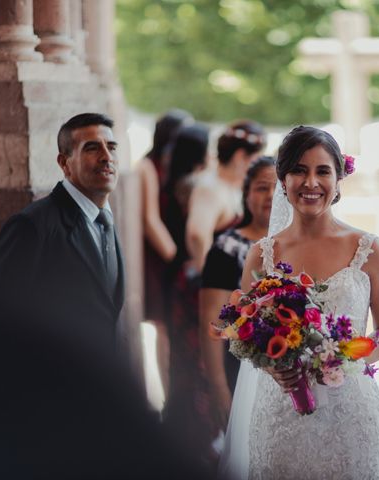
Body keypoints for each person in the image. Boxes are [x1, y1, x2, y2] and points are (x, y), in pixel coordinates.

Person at [220, 126, 379, 480]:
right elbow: (243, 334)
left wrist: (347, 357)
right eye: (299, 170)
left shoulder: (368, 249)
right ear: (283, 179)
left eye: (322, 171)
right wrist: (274, 366)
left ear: (338, 179)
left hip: (352, 415)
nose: (311, 182)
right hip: (280, 417)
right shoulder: (262, 255)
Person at [0, 112, 125, 357]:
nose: (107, 157)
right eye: (92, 148)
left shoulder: (106, 220)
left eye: (111, 147)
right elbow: (2, 320)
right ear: (64, 163)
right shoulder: (31, 226)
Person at [199, 156, 276, 431]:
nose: (270, 196)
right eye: (261, 188)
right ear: (246, 194)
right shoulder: (227, 247)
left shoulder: (299, 245)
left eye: (278, 188)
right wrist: (219, 388)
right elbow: (213, 320)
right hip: (241, 371)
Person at [159, 123, 218, 471]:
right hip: (194, 277)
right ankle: (198, 436)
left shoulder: (174, 181)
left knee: (183, 356)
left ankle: (184, 431)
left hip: (179, 273)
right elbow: (197, 235)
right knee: (197, 357)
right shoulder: (197, 185)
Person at [138, 109, 192, 406]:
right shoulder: (147, 167)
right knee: (163, 325)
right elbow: (149, 220)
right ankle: (168, 397)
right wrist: (175, 259)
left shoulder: (181, 166)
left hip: (181, 253)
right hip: (161, 256)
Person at [186, 120, 266, 274]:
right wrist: (210, 278)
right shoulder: (210, 189)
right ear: (240, 157)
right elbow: (197, 234)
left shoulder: (230, 185)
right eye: (255, 160)